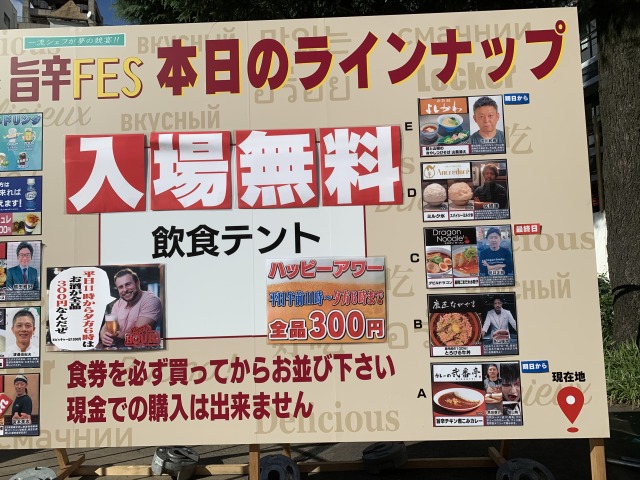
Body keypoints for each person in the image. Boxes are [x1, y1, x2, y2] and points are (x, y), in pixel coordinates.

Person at [99, 268, 162, 348]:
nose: (125, 290)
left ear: (137, 283)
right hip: (119, 350)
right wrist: (103, 335)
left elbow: (137, 331)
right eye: (120, 287)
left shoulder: (151, 300)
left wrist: (113, 335)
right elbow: (106, 327)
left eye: (128, 284)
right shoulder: (118, 304)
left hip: (142, 351)